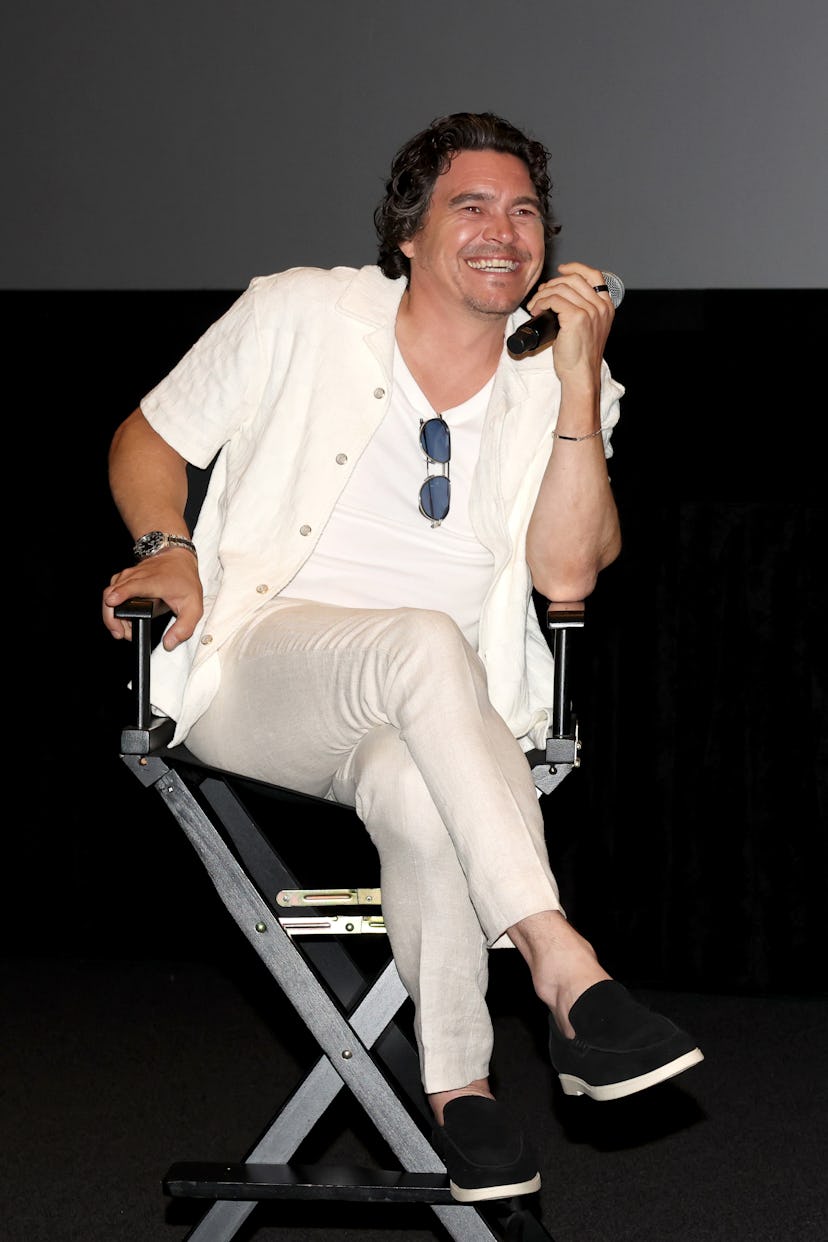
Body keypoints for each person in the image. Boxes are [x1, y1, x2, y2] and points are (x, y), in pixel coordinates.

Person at [102, 111, 703, 1204]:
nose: (503, 231)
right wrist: (169, 549)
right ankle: (562, 962)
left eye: (526, 212)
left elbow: (570, 574)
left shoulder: (560, 380)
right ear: (409, 237)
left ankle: (458, 1091)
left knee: (424, 796)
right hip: (260, 670)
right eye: (470, 206)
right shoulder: (301, 311)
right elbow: (149, 435)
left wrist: (574, 383)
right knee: (423, 645)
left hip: (435, 712)